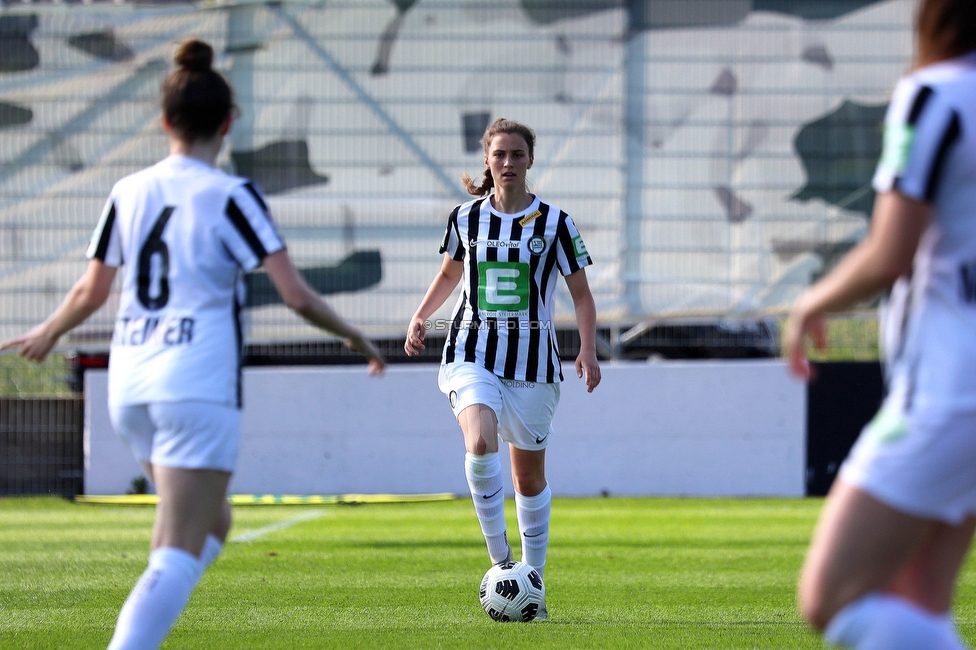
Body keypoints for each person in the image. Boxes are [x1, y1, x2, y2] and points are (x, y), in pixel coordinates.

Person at [0, 39, 384, 650]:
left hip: (129, 386)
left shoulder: (129, 191)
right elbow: (298, 297)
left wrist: (49, 332)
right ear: (229, 123)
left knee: (215, 520)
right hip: (194, 384)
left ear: (164, 121)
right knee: (174, 549)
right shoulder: (233, 196)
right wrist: (357, 335)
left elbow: (91, 289)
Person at [784, 1, 976, 647]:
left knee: (831, 598)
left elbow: (890, 253)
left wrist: (812, 301)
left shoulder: (934, 94)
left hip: (952, 389)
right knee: (920, 599)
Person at [404, 117, 601, 621]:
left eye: (517, 155)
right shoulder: (465, 218)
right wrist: (422, 314)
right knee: (478, 441)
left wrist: (588, 349)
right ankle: (501, 563)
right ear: (486, 161)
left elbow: (580, 292)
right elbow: (450, 271)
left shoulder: (556, 223)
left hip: (534, 362)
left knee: (528, 479)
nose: (508, 163)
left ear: (530, 160)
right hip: (472, 350)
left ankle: (532, 583)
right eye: (500, 155)